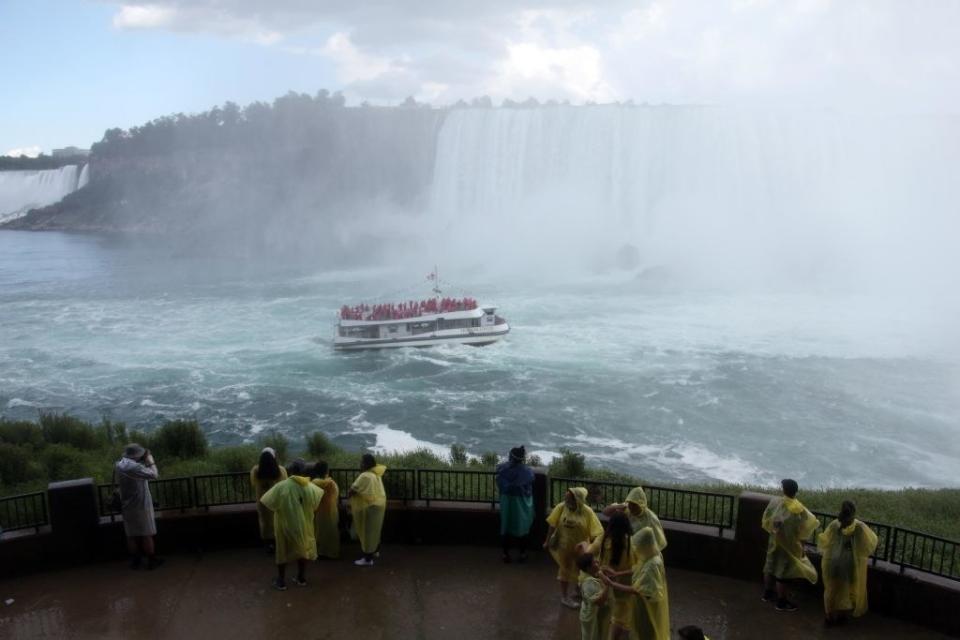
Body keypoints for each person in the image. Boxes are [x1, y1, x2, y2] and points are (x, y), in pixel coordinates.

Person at [259, 463, 324, 591]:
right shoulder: (310, 487)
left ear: (290, 472)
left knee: (282, 551)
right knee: (302, 549)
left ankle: (281, 581)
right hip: (304, 525)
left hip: (285, 525)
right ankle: (301, 578)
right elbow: (316, 504)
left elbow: (267, 502)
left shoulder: (282, 486)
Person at [761, 478, 820, 612]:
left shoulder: (775, 502)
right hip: (788, 545)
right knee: (783, 574)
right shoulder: (798, 509)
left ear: (784, 490)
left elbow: (766, 519)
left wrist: (773, 530)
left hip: (773, 541)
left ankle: (767, 594)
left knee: (769, 567)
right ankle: (781, 602)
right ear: (796, 491)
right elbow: (804, 528)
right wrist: (802, 545)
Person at [817, 500, 879, 626]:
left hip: (832, 561)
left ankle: (828, 617)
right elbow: (869, 544)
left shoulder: (835, 524)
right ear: (854, 511)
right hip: (849, 563)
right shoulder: (859, 527)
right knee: (845, 589)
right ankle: (841, 617)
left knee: (831, 589)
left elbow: (825, 540)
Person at [604, 527, 670, 640]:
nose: (636, 551)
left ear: (645, 546)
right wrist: (618, 574)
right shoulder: (652, 553)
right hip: (643, 606)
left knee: (647, 633)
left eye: (639, 548)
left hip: (647, 609)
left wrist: (612, 584)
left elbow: (637, 590)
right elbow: (638, 567)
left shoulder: (652, 566)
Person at [544, 487, 603, 609]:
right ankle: (565, 597)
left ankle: (577, 590)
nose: (567, 502)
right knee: (564, 571)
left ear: (578, 500)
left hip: (581, 548)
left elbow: (597, 531)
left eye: (570, 499)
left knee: (581, 570)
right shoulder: (561, 507)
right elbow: (552, 524)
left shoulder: (587, 512)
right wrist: (547, 540)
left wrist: (593, 547)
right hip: (564, 547)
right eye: (566, 499)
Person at [588, 512, 637, 640]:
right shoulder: (631, 544)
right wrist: (618, 574)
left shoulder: (605, 540)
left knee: (608, 619)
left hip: (606, 586)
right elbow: (636, 568)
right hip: (624, 587)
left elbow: (595, 558)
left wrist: (603, 571)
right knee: (623, 621)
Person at [116, 443, 163, 570]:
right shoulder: (134, 468)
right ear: (136, 455)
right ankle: (151, 561)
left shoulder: (120, 464)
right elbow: (154, 475)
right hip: (140, 505)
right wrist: (150, 460)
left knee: (131, 535)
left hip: (126, 504)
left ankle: (135, 560)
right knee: (146, 534)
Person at [495, 445, 535, 563]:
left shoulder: (503, 469)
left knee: (506, 526)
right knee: (522, 527)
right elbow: (531, 480)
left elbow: (499, 474)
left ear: (511, 456)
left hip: (507, 501)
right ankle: (522, 554)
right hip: (522, 503)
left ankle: (505, 554)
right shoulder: (527, 472)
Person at [348, 453, 387, 566]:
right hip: (379, 505)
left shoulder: (365, 475)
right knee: (375, 530)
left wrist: (349, 498)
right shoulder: (376, 474)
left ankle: (367, 559)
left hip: (369, 508)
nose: (360, 464)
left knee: (367, 533)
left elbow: (352, 490)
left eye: (361, 461)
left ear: (365, 464)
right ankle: (375, 551)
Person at [603, 486, 667, 551]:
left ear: (641, 504)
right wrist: (617, 506)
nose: (631, 507)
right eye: (630, 503)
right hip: (626, 548)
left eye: (634, 505)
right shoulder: (625, 509)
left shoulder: (650, 517)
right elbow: (605, 512)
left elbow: (659, 541)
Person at [250, 447, 287, 553]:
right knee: (278, 521)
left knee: (265, 523)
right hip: (277, 501)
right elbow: (285, 483)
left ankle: (269, 545)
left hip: (263, 502)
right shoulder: (281, 470)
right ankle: (279, 544)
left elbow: (253, 482)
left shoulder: (256, 471)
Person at [310, 460, 341, 559]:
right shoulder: (331, 483)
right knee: (331, 530)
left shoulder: (313, 483)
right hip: (331, 510)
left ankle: (320, 552)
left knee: (318, 530)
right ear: (327, 471)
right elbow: (336, 495)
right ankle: (331, 552)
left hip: (318, 511)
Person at [576, 552, 610, 640]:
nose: (597, 562)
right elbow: (600, 602)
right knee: (592, 636)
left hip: (590, 612)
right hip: (591, 616)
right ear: (588, 568)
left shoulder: (590, 574)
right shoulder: (589, 583)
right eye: (594, 562)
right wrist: (607, 585)